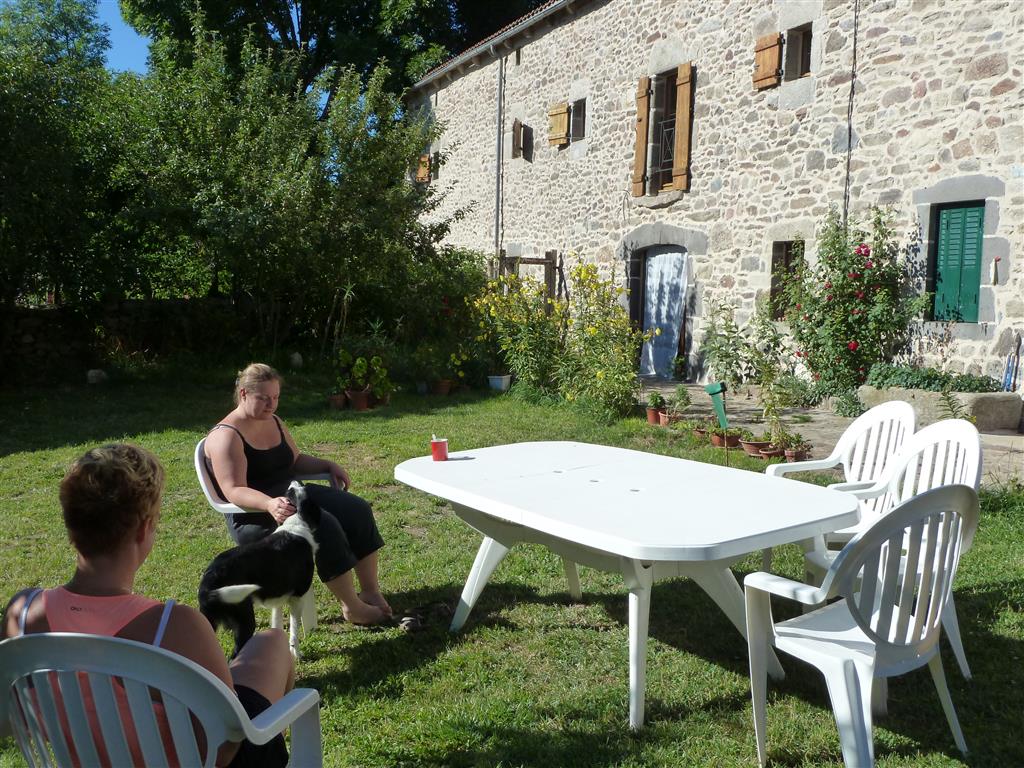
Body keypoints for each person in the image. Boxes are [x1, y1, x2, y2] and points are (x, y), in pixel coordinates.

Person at [1, 444, 294, 767]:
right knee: (274, 644)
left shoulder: (23, 613)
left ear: (71, 524)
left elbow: (10, 719)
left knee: (268, 644)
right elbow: (224, 749)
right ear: (145, 528)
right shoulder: (174, 625)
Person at [204, 362, 391, 625]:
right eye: (264, 398)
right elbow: (233, 490)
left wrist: (327, 465)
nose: (271, 405)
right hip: (254, 514)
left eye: (276, 397)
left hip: (293, 496)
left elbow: (294, 461)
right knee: (323, 524)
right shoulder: (226, 436)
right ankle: (352, 606)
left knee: (356, 509)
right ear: (244, 394)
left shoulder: (274, 421)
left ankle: (370, 590)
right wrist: (269, 503)